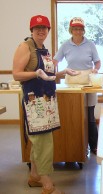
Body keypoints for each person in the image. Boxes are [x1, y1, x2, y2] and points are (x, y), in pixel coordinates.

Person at [12, 15, 67, 194]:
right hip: (34, 102)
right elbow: (17, 74)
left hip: (48, 101)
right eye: (37, 28)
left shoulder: (44, 49)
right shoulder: (25, 46)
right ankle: (46, 184)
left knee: (39, 140)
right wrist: (36, 74)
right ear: (31, 30)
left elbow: (48, 75)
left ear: (48, 30)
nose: (41, 30)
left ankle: (34, 176)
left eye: (44, 28)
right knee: (43, 141)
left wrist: (63, 72)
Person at [53, 17, 101, 155]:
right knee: (72, 115)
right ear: (71, 30)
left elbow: (97, 62)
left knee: (90, 116)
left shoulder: (90, 44)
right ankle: (74, 146)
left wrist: (96, 69)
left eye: (80, 29)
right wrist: (48, 68)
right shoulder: (65, 45)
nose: (78, 31)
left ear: (83, 30)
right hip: (71, 81)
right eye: (75, 29)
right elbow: (55, 61)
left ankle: (94, 146)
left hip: (88, 81)